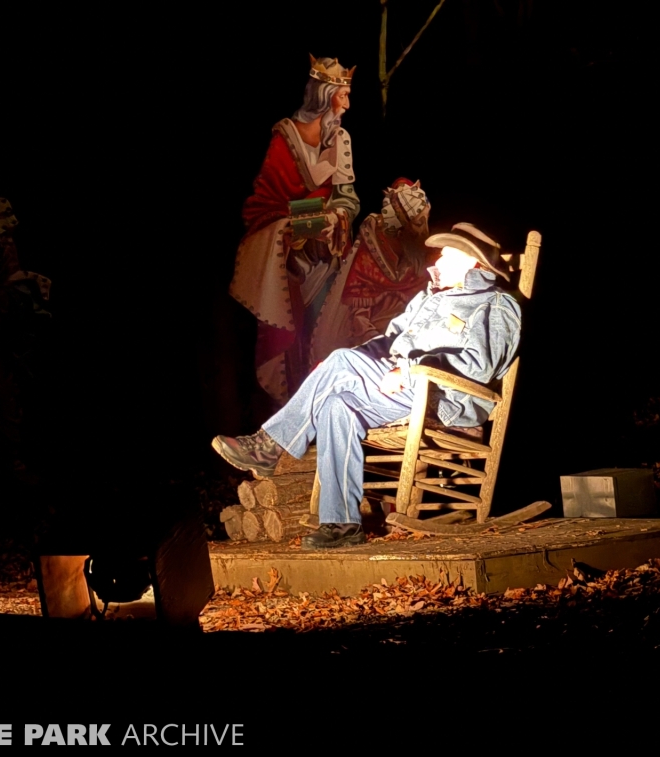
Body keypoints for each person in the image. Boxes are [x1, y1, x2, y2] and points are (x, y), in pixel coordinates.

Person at [213, 223, 522, 549]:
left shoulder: (496, 305)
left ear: (473, 262)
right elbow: (388, 342)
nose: (438, 260)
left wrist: (410, 370)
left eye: (448, 254)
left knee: (341, 362)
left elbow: (479, 365)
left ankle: (270, 446)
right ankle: (342, 525)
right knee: (337, 405)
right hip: (403, 392)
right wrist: (338, 368)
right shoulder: (427, 300)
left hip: (444, 397)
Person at [230, 55, 360, 404]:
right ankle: (291, 418)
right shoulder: (284, 137)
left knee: (326, 336)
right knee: (292, 339)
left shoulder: (342, 139)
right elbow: (262, 206)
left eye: (349, 94)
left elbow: (348, 199)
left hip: (330, 256)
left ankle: (325, 408)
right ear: (324, 93)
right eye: (342, 94)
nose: (346, 103)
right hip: (289, 260)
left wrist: (337, 218)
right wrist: (310, 219)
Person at [310, 178, 434, 362]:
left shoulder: (418, 253)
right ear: (401, 224)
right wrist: (378, 344)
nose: (423, 231)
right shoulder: (373, 246)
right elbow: (359, 315)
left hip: (407, 340)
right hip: (371, 342)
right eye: (418, 223)